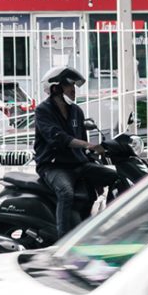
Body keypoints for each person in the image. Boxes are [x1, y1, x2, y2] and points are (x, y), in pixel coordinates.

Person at [32, 65, 104, 241]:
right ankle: (63, 241)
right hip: (53, 165)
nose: (73, 90)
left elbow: (82, 141)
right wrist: (88, 145)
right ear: (56, 88)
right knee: (66, 192)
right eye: (68, 85)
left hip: (76, 163)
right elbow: (58, 138)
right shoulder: (43, 111)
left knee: (112, 176)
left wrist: (95, 156)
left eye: (73, 86)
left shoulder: (76, 111)